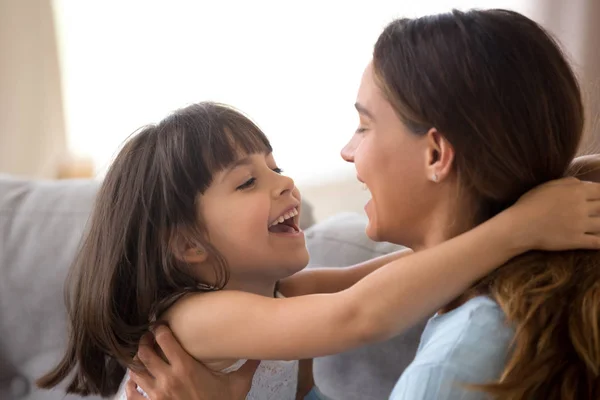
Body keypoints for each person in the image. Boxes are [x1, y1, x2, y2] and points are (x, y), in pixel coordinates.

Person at [123, 8, 600, 400]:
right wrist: (519, 226)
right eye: (248, 182)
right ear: (187, 243)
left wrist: (532, 213)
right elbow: (360, 311)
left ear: (436, 153)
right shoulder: (196, 318)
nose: (346, 152)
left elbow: (379, 283)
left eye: (364, 126)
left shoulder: (448, 365)